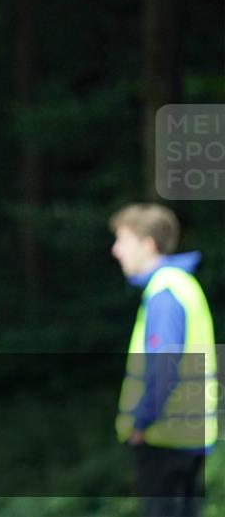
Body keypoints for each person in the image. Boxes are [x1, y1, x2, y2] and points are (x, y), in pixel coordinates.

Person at [110, 203, 218, 517]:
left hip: (164, 437)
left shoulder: (165, 293)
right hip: (188, 434)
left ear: (148, 244)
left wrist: (141, 423)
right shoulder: (183, 285)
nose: (116, 250)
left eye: (123, 240)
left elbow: (163, 367)